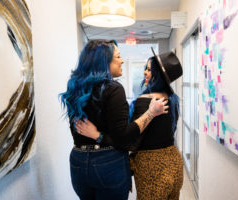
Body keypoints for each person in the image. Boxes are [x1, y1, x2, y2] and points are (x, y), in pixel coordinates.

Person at [60, 40, 168, 200]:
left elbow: (77, 131)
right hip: (106, 162)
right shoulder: (113, 88)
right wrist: (151, 113)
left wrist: (96, 135)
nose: (122, 60)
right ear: (104, 61)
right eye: (118, 56)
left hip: (78, 161)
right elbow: (124, 139)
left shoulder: (75, 88)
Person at [78, 48, 184, 200]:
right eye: (145, 69)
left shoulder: (146, 101)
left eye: (149, 69)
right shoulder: (173, 99)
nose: (145, 73)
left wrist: (97, 135)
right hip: (174, 162)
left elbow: (128, 141)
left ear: (159, 75)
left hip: (153, 167)